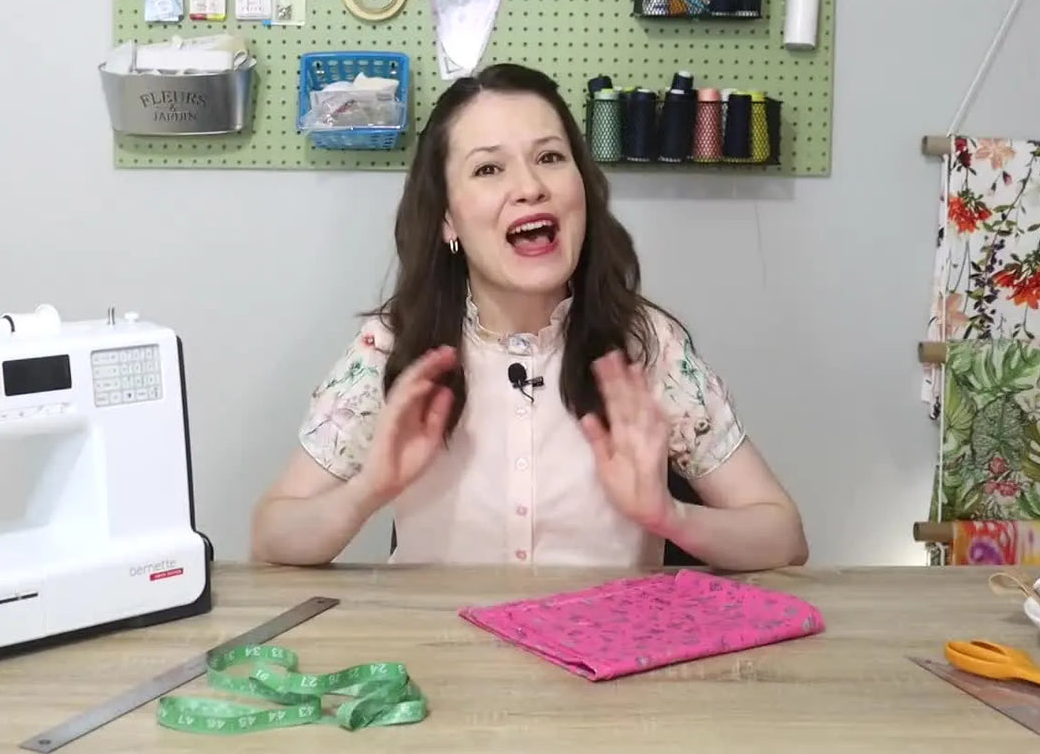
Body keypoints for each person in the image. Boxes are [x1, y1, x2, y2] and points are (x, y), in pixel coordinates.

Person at [249, 64, 808, 570]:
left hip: (605, 669)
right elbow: (273, 536)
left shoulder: (647, 347)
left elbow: (782, 535)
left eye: (549, 158)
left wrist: (670, 516)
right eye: (489, 168)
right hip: (443, 667)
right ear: (447, 219)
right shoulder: (393, 347)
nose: (530, 187)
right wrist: (368, 488)